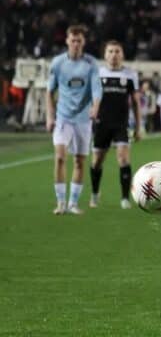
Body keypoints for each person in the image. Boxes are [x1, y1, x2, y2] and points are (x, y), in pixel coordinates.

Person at [46, 25, 102, 215]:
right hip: (63, 118)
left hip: (83, 119)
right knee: (60, 157)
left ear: (83, 42)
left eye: (79, 40)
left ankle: (73, 204)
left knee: (79, 161)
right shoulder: (58, 63)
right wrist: (50, 116)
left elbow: (97, 90)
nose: (76, 43)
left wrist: (95, 108)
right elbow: (49, 91)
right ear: (67, 41)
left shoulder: (91, 63)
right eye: (73, 40)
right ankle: (61, 202)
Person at [89, 40, 141, 209]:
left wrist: (138, 127)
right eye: (110, 51)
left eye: (117, 51)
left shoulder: (130, 75)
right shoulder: (98, 74)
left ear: (122, 54)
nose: (114, 55)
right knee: (97, 161)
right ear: (105, 55)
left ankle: (125, 198)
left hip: (121, 124)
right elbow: (90, 98)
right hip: (101, 124)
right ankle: (95, 194)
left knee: (123, 159)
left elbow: (136, 103)